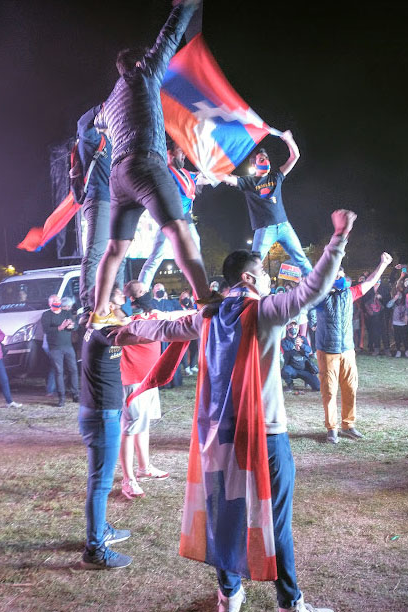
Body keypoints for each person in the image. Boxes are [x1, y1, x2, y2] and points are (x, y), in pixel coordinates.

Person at [113, 209, 357, 612]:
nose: (267, 279)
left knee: (222, 515)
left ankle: (230, 593)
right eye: (262, 273)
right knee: (275, 521)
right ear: (247, 278)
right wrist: (338, 238)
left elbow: (159, 327)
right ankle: (289, 602)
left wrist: (117, 332)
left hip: (218, 437)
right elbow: (313, 289)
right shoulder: (263, 311)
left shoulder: (207, 316)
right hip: (265, 434)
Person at [89, 0, 211, 330]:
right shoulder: (144, 74)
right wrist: (185, 7)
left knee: (115, 248)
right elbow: (169, 37)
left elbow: (93, 124)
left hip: (119, 176)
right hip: (145, 162)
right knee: (178, 228)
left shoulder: (108, 103)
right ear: (141, 61)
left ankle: (99, 310)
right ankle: (204, 296)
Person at [79, 285, 132, 570]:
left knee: (98, 481)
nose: (124, 298)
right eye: (119, 296)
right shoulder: (104, 331)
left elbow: (124, 321)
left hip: (100, 412)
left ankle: (100, 531)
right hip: (102, 416)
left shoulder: (97, 326)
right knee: (100, 484)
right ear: (107, 304)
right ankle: (95, 550)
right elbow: (134, 331)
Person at [316, 252, 393, 444]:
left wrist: (383, 264)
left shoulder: (350, 294)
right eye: (335, 275)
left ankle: (348, 425)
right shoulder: (319, 296)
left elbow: (370, 281)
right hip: (327, 351)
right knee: (329, 391)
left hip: (347, 350)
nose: (339, 278)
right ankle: (331, 428)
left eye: (341, 275)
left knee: (350, 388)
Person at [218, 131, 312, 276]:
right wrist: (211, 170)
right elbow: (228, 179)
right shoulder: (249, 181)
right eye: (261, 159)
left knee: (302, 260)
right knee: (254, 263)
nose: (266, 161)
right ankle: (248, 293)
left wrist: (289, 140)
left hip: (284, 226)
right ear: (254, 165)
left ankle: (318, 289)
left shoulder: (276, 176)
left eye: (266, 158)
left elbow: (295, 156)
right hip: (264, 229)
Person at [119, 280, 170, 499]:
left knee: (144, 424)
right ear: (131, 298)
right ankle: (127, 479)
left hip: (149, 377)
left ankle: (144, 467)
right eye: (141, 292)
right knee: (130, 428)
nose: (146, 294)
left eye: (146, 290)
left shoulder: (152, 315)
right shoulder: (125, 319)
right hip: (132, 378)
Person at [77, 105, 126, 320]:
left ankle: (115, 299)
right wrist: (102, 106)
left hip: (116, 203)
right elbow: (82, 125)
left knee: (120, 254)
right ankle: (89, 305)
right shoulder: (94, 140)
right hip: (98, 200)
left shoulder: (116, 145)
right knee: (96, 252)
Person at [138, 139, 204, 290]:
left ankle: (199, 288)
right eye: (181, 151)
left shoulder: (188, 175)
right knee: (158, 254)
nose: (184, 155)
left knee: (195, 249)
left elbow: (204, 178)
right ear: (170, 153)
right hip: (168, 218)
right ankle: (141, 288)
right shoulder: (163, 172)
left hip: (185, 218)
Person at [41, 295, 79, 407]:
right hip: (55, 348)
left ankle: (75, 394)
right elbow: (46, 330)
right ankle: (61, 397)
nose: (57, 302)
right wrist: (60, 327)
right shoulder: (46, 315)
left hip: (68, 346)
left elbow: (75, 326)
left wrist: (72, 326)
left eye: (58, 300)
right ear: (50, 303)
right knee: (59, 372)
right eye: (54, 301)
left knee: (73, 370)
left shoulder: (66, 313)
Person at [281, 321, 320, 392]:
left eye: (295, 326)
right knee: (285, 371)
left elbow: (309, 349)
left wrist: (301, 346)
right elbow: (286, 354)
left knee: (318, 387)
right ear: (287, 328)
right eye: (291, 326)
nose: (293, 328)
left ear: (298, 327)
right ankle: (290, 385)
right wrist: (295, 349)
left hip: (304, 368)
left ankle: (307, 381)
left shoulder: (303, 338)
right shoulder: (284, 341)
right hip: (292, 368)